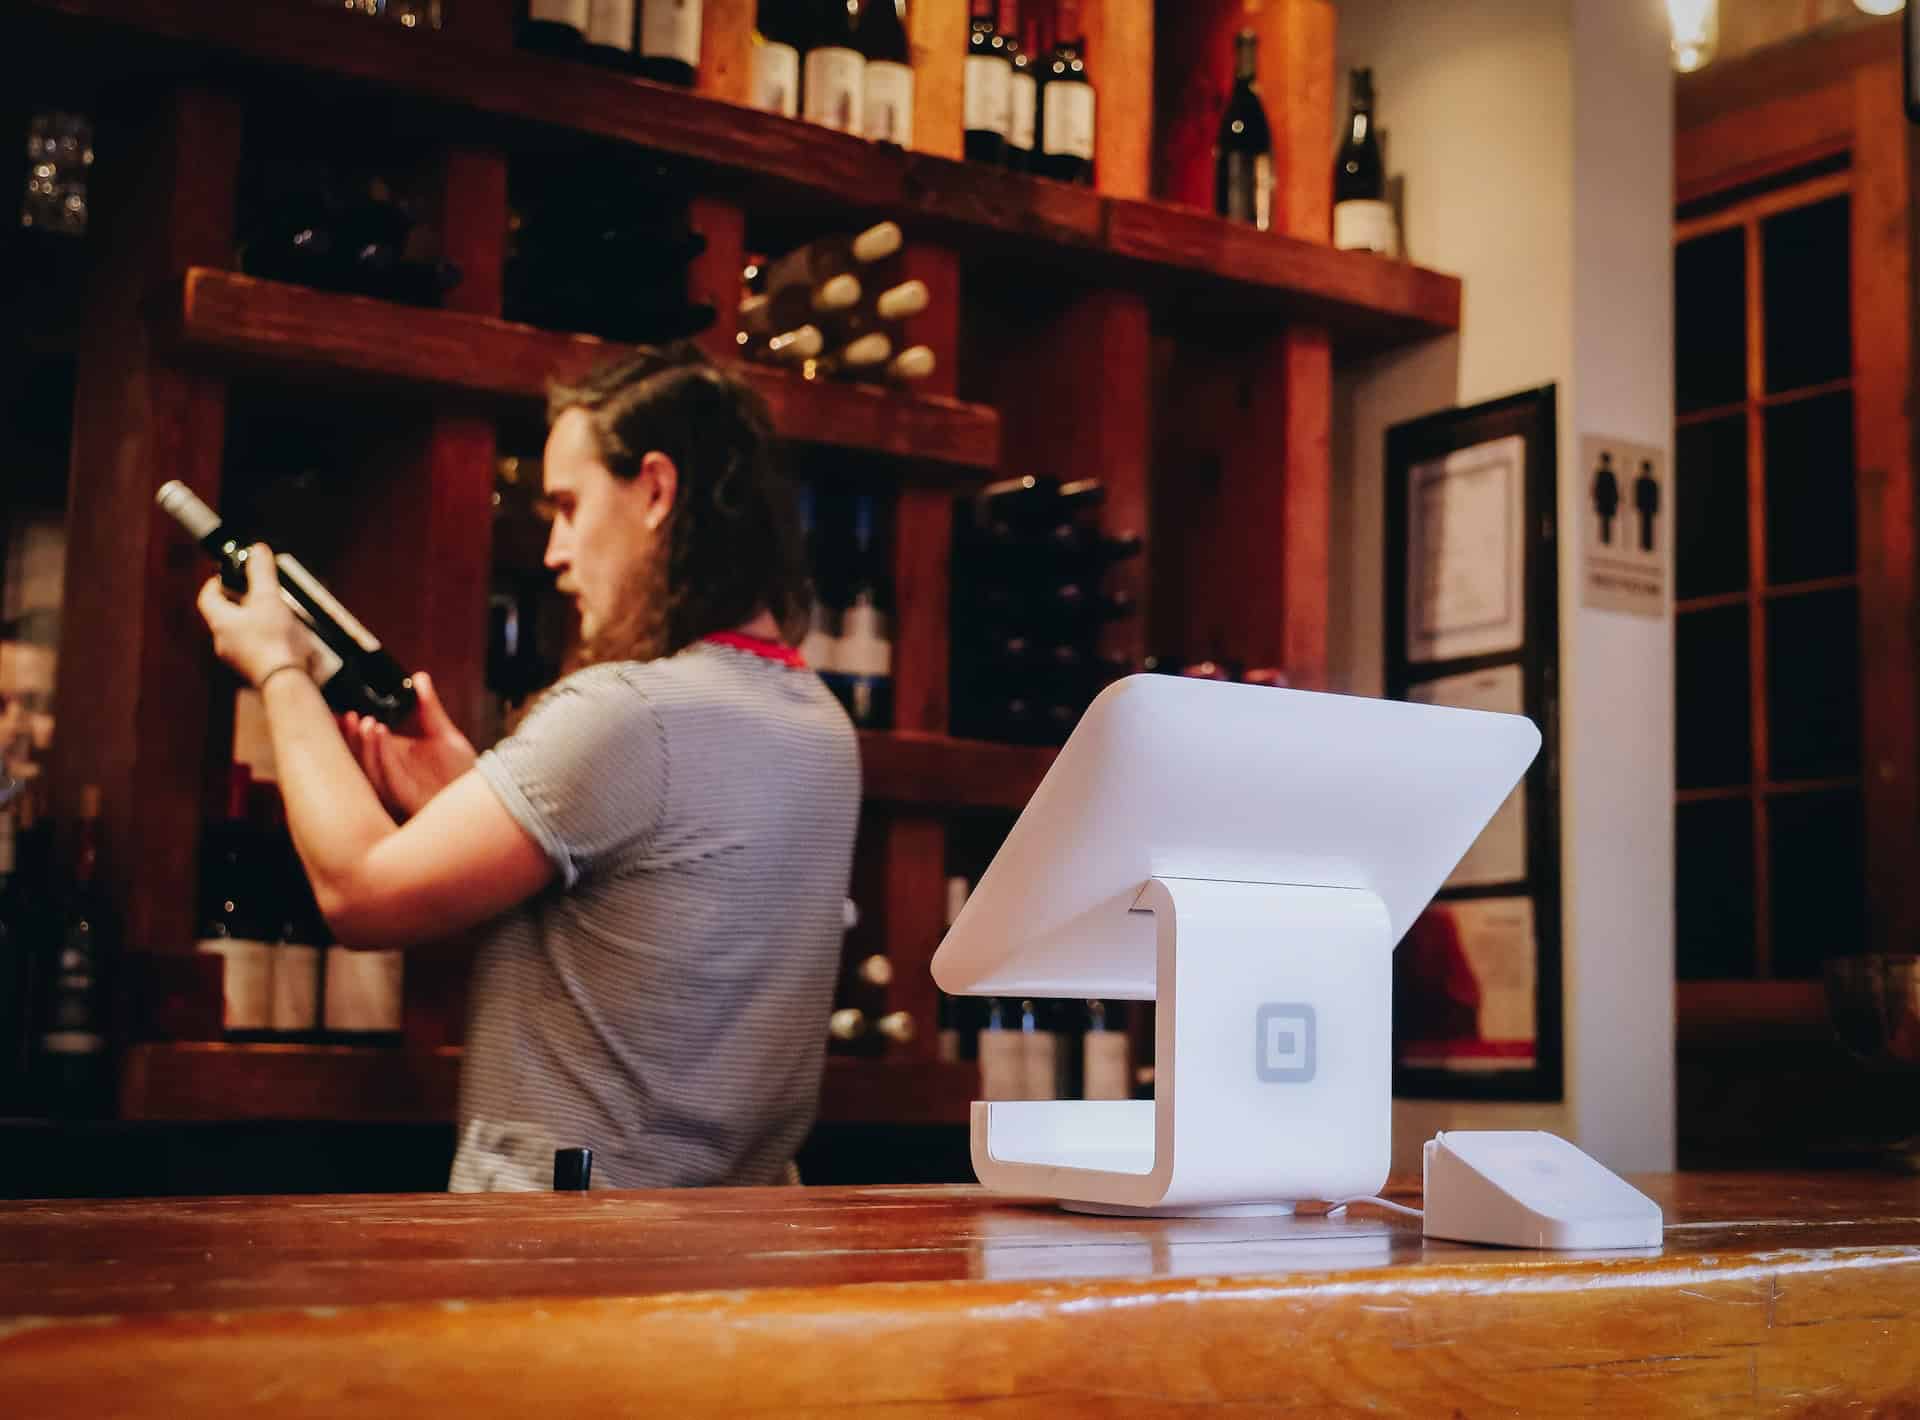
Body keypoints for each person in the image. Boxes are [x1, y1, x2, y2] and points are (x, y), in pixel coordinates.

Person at [195, 345, 861, 1191]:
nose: (551, 552)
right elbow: (648, 924)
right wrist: (482, 798)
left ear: (655, 492)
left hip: (565, 1266)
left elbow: (359, 892)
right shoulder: (821, 726)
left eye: (569, 507)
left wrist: (278, 668)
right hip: (732, 1271)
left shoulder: (629, 712)